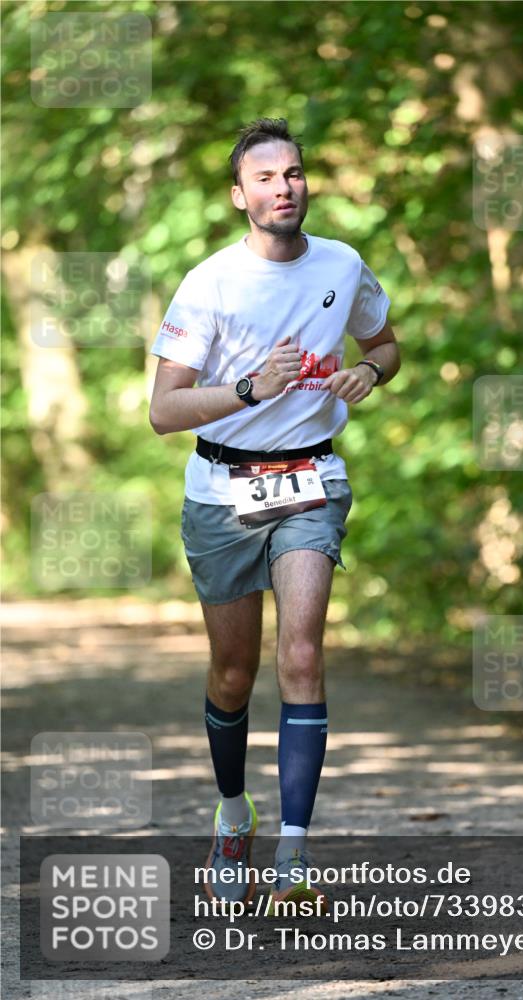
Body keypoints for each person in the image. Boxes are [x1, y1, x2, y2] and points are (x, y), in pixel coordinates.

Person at [148, 118, 400, 914]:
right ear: (239, 196)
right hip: (221, 491)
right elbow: (162, 411)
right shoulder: (210, 283)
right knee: (233, 673)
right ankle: (233, 817)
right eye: (264, 177)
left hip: (309, 481)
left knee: (300, 655)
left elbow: (386, 345)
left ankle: (293, 852)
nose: (282, 187)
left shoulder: (342, 264)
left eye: (292, 173)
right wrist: (250, 388)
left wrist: (368, 372)